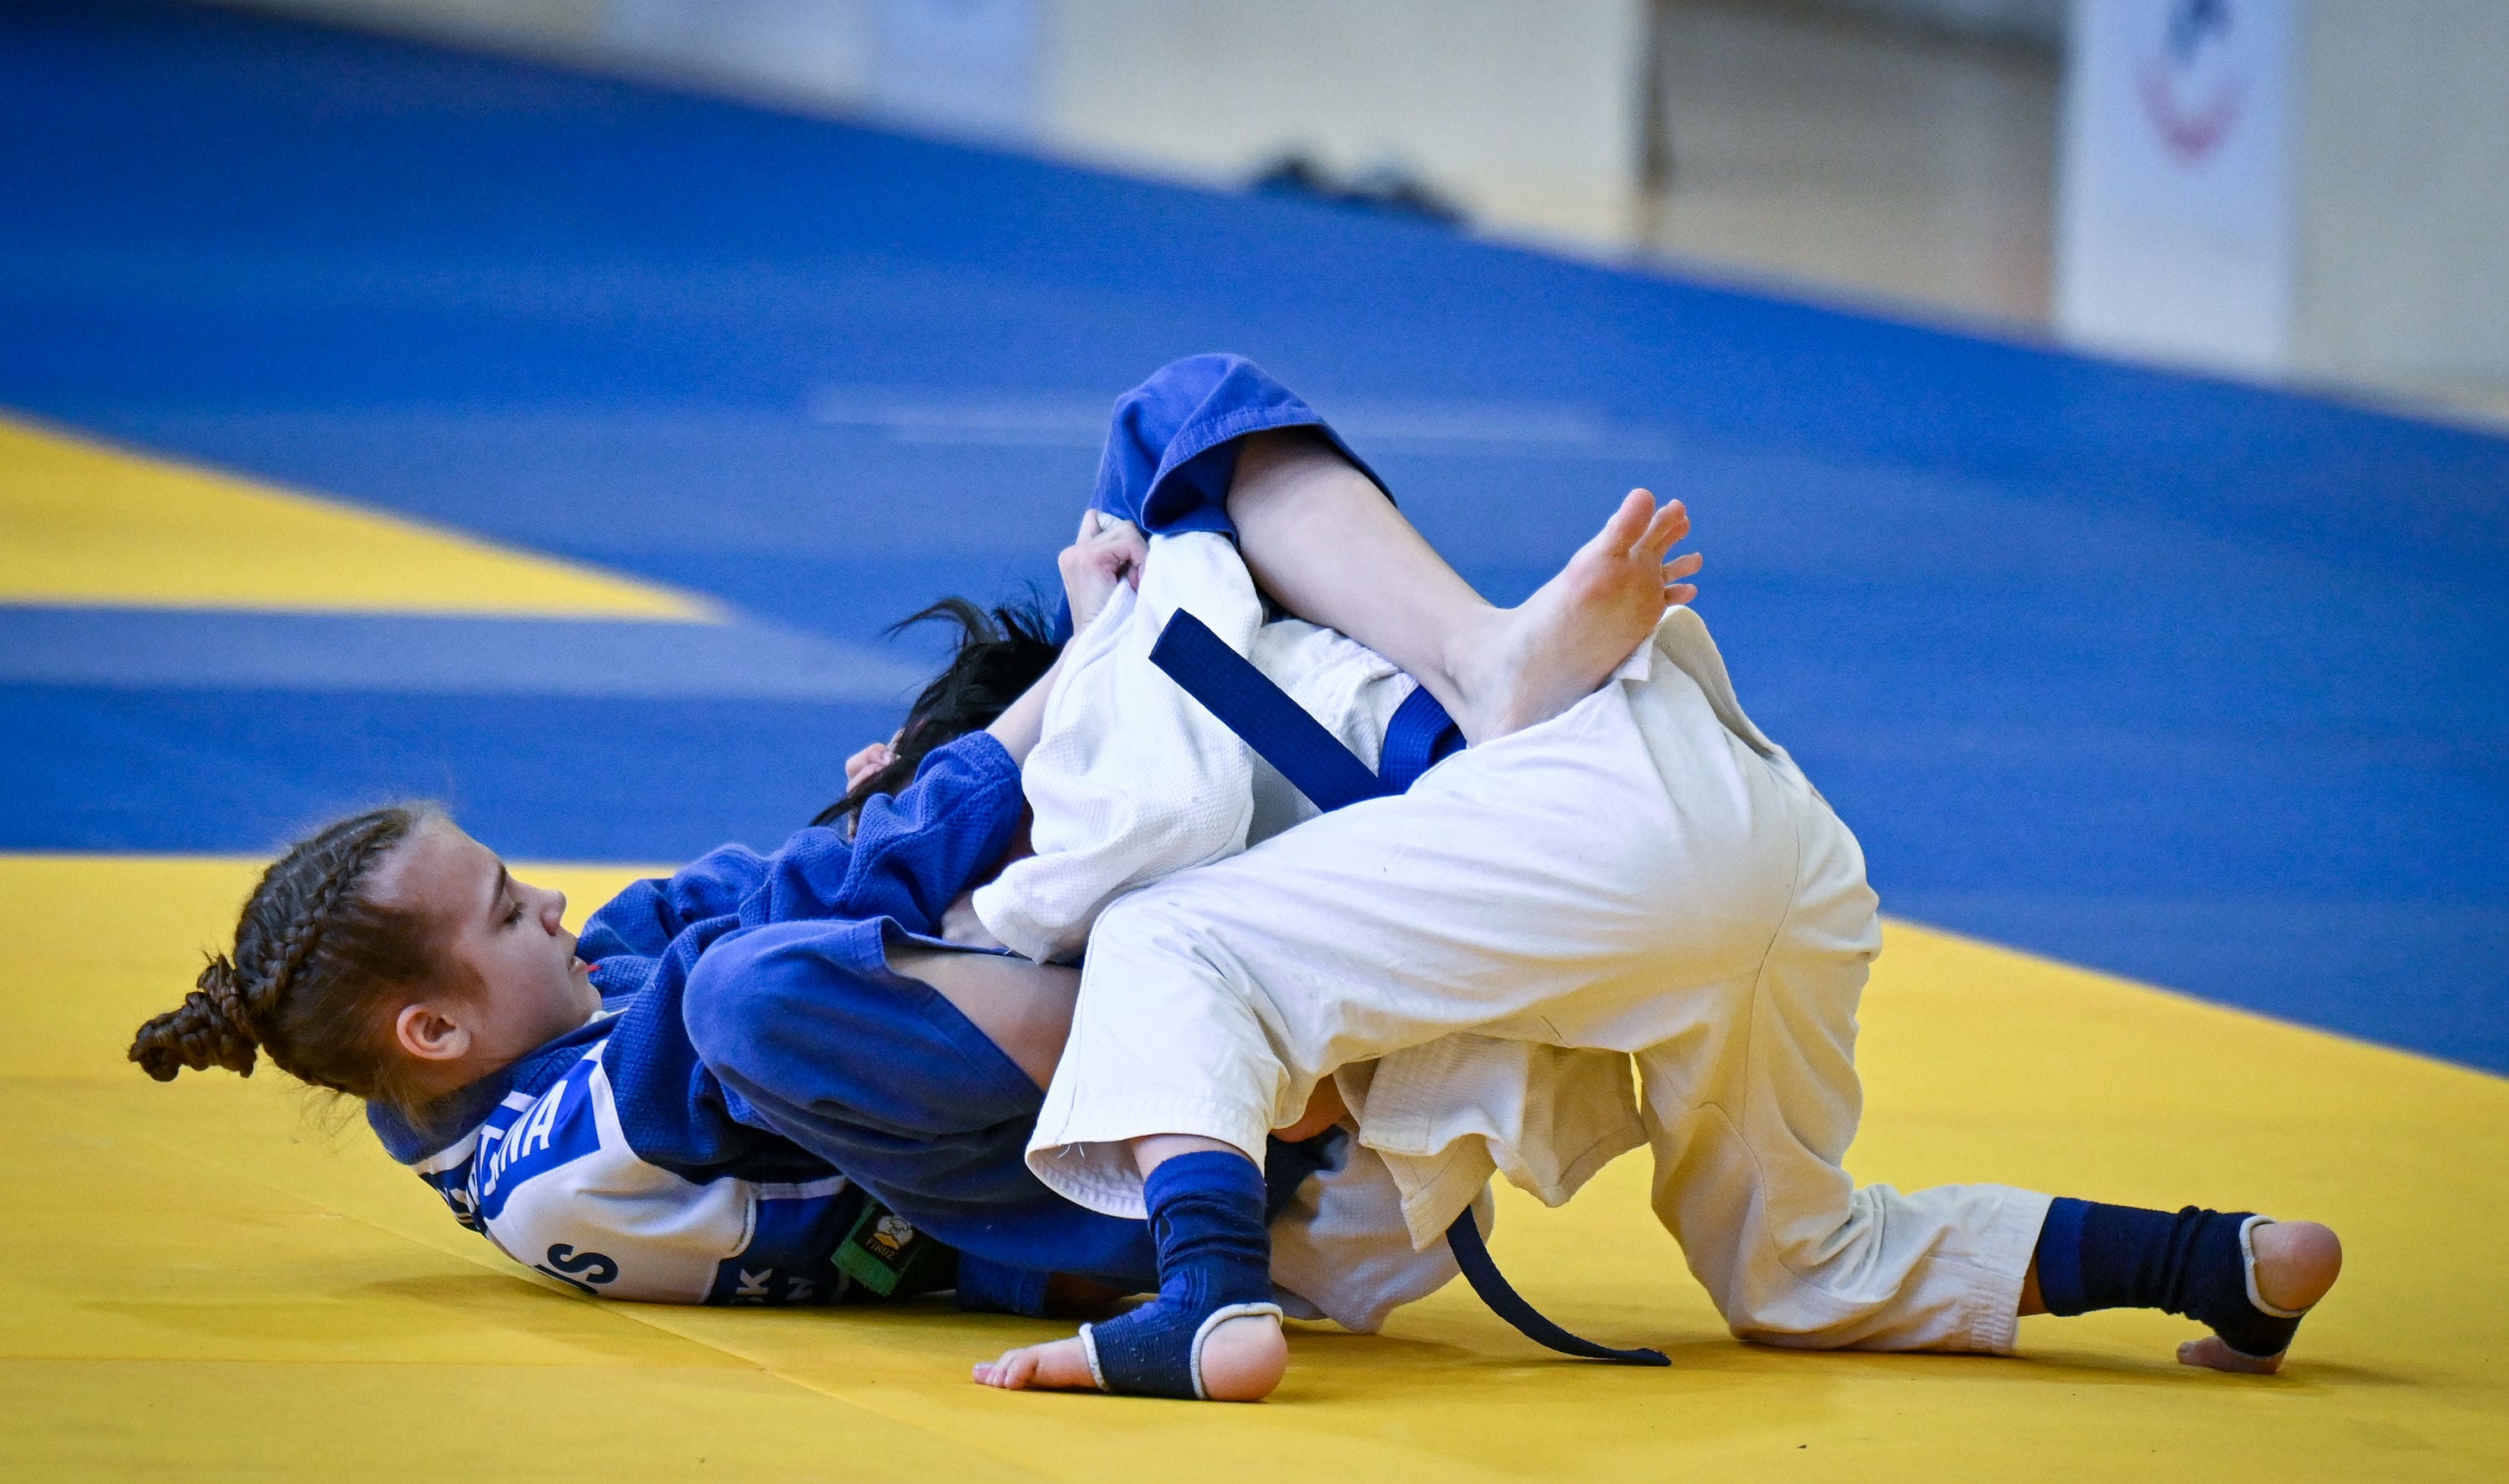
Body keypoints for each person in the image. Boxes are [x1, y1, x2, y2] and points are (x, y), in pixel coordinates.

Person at [125, 356, 1699, 1332]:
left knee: (1177, 427)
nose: (547, 901)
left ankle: (1479, 682)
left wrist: (929, 774)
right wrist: (1058, 702)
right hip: (1222, 1197)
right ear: (434, 1031)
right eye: (499, 912)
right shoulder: (558, 1166)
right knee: (755, 992)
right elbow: (784, 936)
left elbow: (774, 878)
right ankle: (1284, 1045)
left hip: (1123, 1067)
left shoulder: (556, 1001)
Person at [936, 372, 2349, 1404]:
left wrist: (1083, 658)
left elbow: (1188, 429)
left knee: (1164, 942)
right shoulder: (1245, 684)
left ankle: (1202, 1304)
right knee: (1802, 1268)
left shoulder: (1140, 657)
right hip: (1763, 836)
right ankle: (2216, 1263)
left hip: (1579, 812)